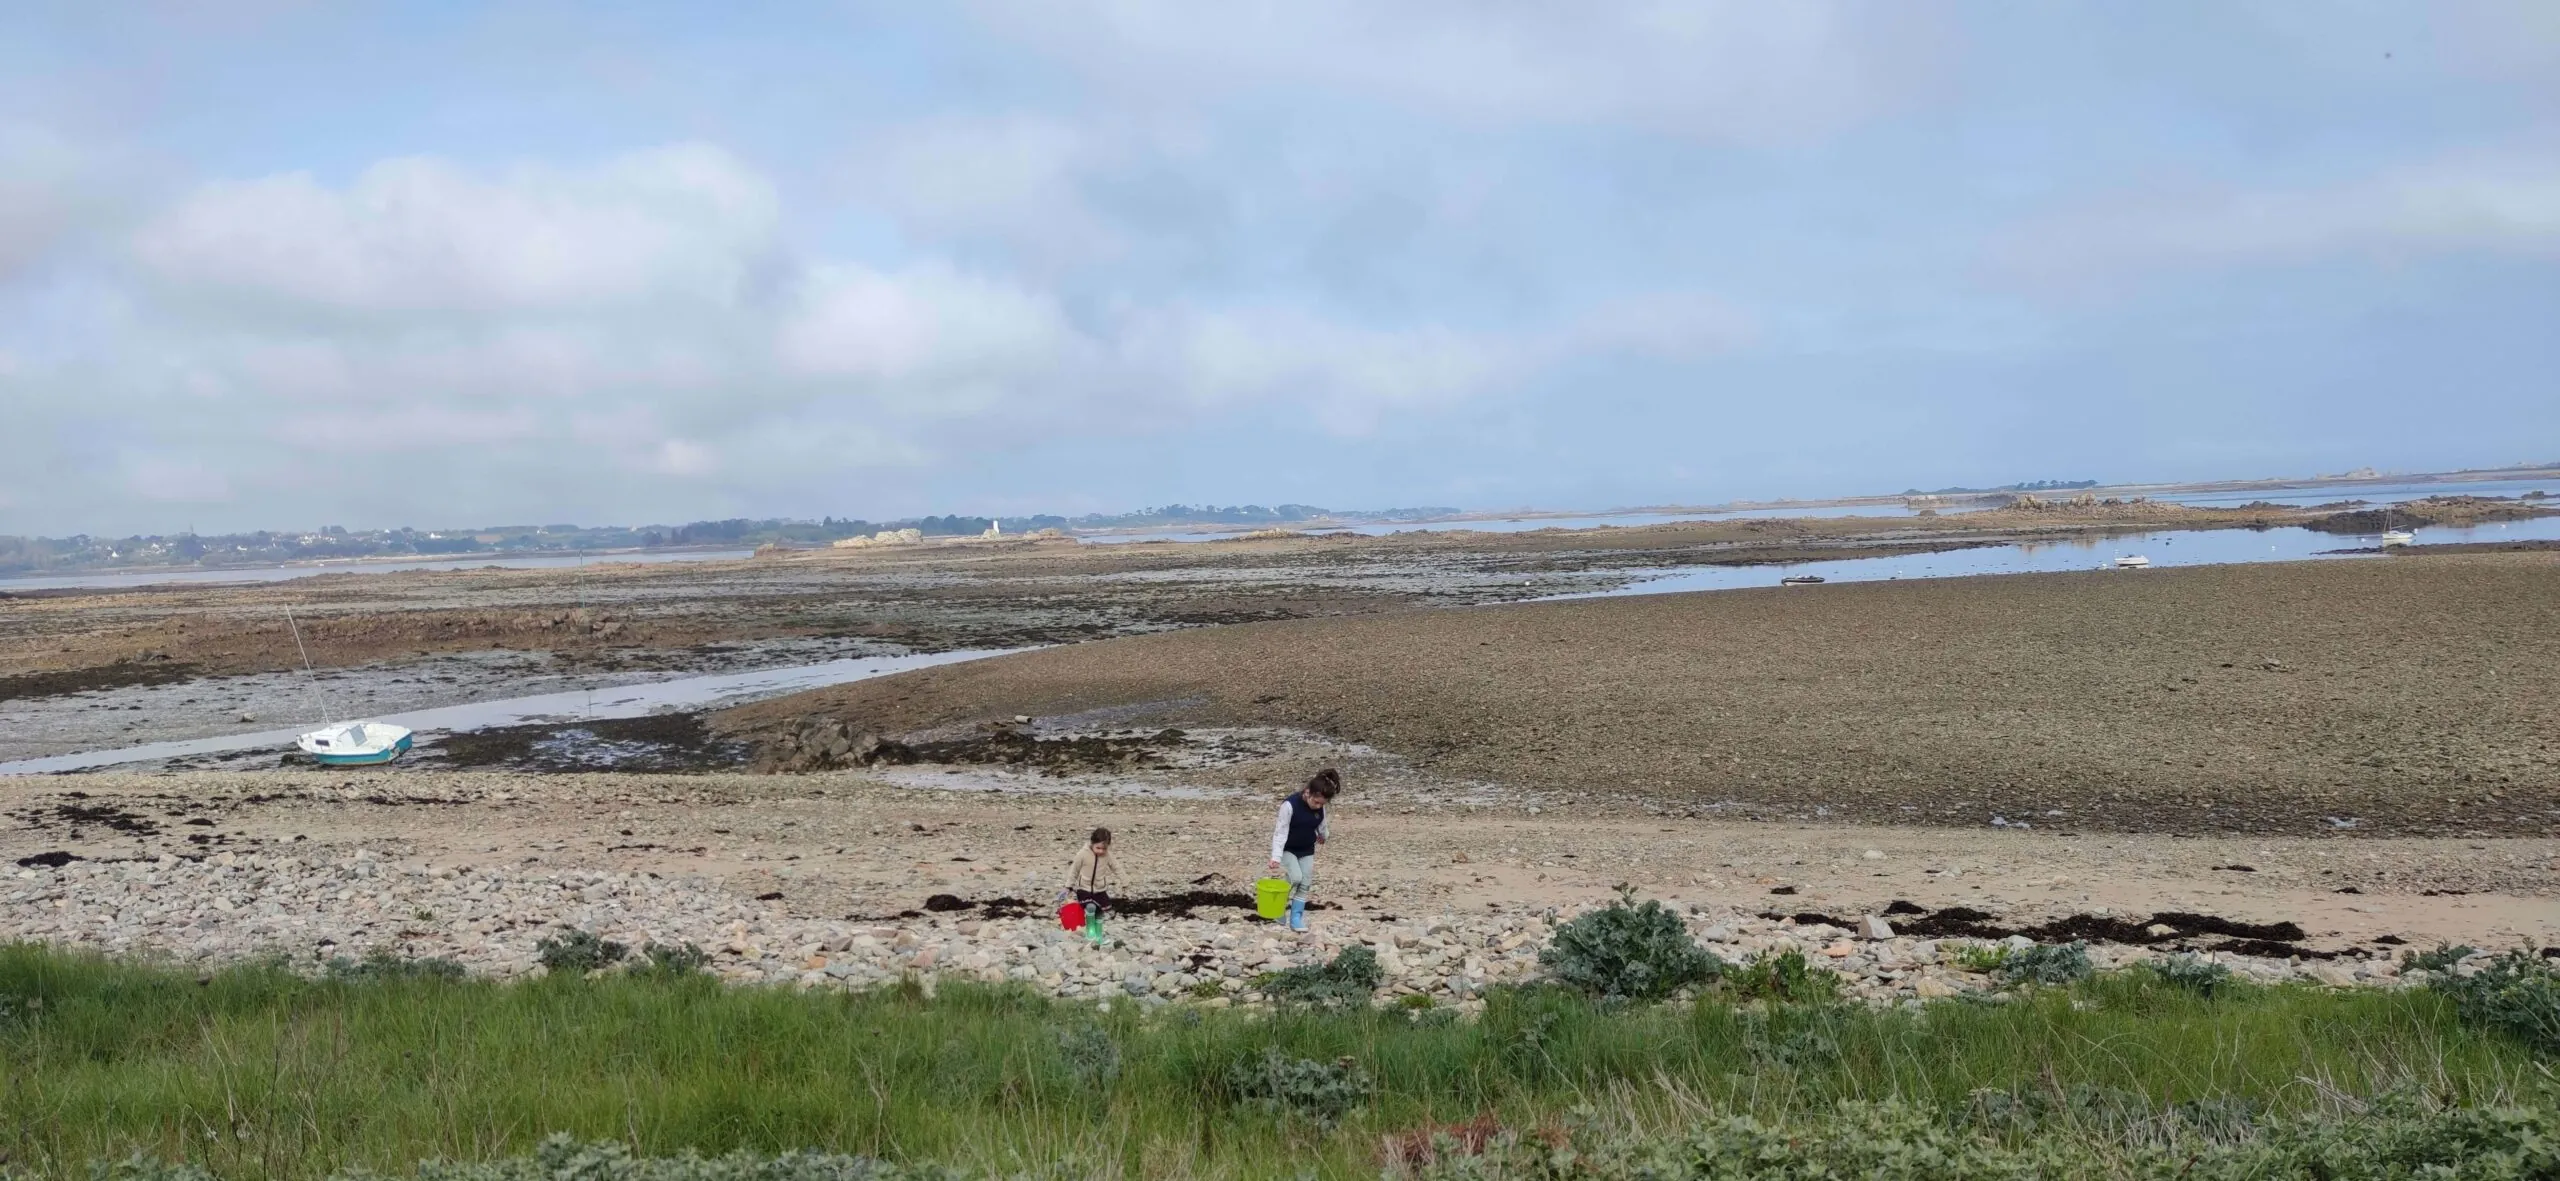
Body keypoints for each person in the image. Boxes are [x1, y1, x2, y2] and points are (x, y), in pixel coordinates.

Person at [1267, 768, 1339, 932]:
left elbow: (1322, 824)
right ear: (1307, 793)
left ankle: (1296, 919)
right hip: (1288, 848)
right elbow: (1280, 832)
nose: (1318, 806)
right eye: (1316, 802)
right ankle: (1277, 908)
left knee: (1305, 883)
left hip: (1307, 848)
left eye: (1322, 804)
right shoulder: (1289, 805)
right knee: (1296, 877)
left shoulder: (1320, 808)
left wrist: (1323, 836)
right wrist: (1275, 857)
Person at [1064, 827, 1118, 946]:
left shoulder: (1108, 855)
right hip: (1084, 888)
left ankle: (1098, 938)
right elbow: (1074, 870)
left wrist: (1125, 881)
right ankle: (1090, 934)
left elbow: (1116, 867)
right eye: (1098, 848)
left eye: (1104, 848)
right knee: (1090, 907)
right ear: (1092, 843)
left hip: (1100, 890)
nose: (1100, 851)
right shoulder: (1082, 854)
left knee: (1099, 912)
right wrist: (1068, 886)